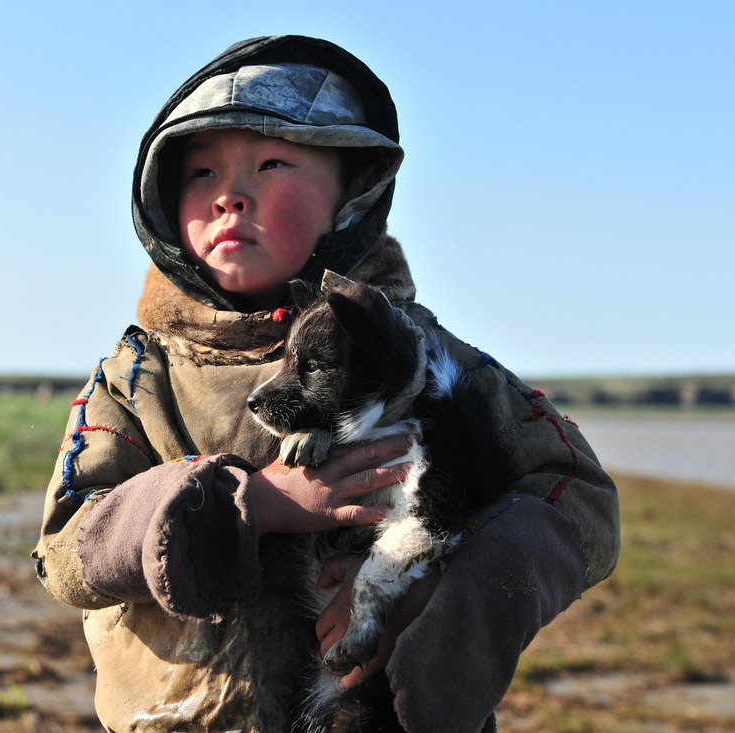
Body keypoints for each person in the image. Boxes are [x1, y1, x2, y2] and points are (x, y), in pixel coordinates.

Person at [32, 35, 620, 733]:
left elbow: (577, 494)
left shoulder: (427, 358)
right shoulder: (138, 382)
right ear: (161, 201)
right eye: (201, 173)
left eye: (272, 162)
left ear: (352, 193)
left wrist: (442, 589)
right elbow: (64, 552)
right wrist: (248, 501)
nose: (229, 196)